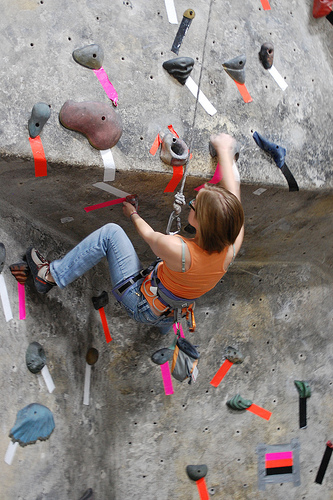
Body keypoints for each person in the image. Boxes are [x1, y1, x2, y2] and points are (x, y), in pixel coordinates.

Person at [26, 133, 244, 335]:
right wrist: (225, 150)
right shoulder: (231, 245)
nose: (192, 202)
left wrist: (133, 214)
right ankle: (162, 327)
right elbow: (234, 192)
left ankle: (49, 277)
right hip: (172, 311)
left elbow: (148, 234)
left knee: (110, 233)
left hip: (141, 305)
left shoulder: (179, 250)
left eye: (193, 205)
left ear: (203, 223)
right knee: (172, 296)